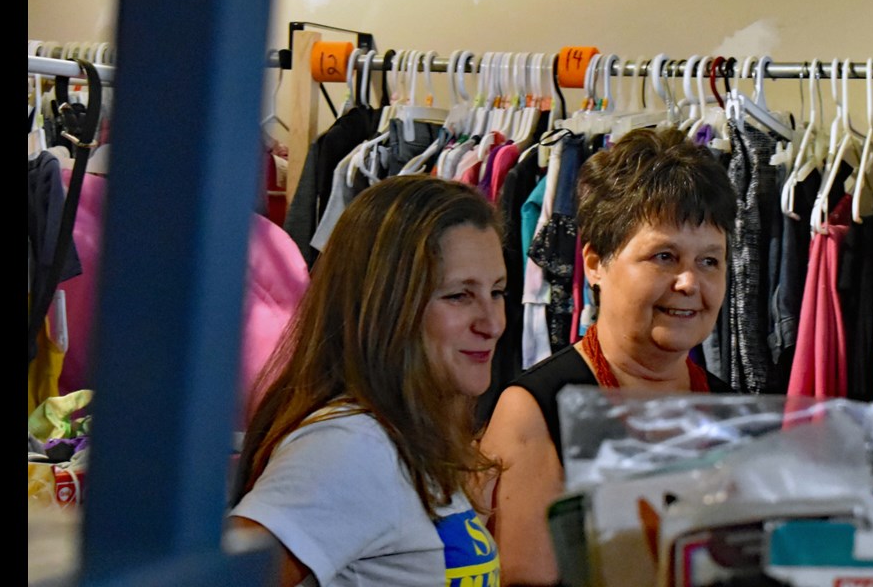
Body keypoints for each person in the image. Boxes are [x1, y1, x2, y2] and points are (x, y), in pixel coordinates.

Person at [478, 127, 738, 586]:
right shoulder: (535, 409)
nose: (689, 284)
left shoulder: (732, 413)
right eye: (664, 256)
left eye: (709, 261)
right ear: (596, 263)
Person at [228, 174, 507, 587]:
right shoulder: (352, 445)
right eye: (459, 296)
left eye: (497, 292)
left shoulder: (401, 434)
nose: (493, 323)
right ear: (387, 306)